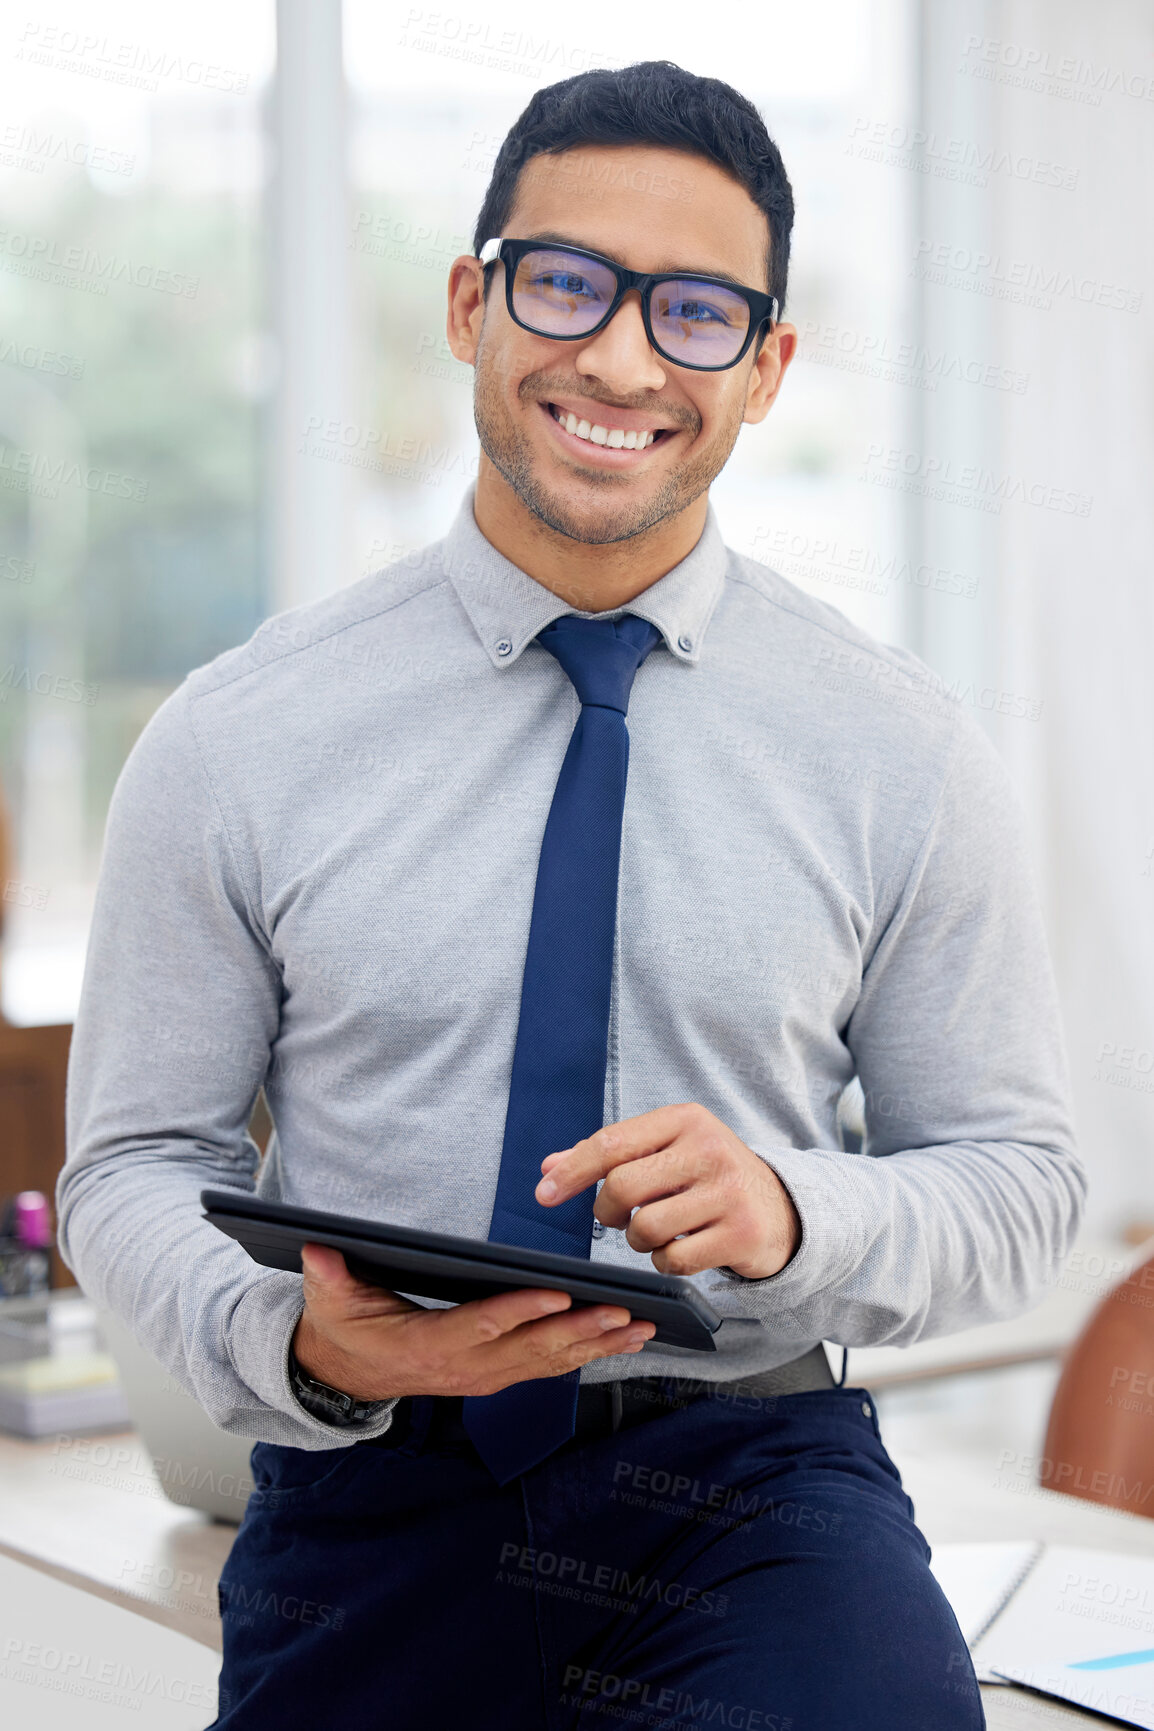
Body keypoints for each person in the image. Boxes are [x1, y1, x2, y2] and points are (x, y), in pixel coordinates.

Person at [58, 60, 1084, 1731]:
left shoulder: (901, 750)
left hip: (748, 1478)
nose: (616, 358)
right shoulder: (234, 737)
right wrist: (307, 1351)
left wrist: (792, 1214)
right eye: (565, 284)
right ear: (471, 303)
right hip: (367, 1494)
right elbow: (129, 1168)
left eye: (692, 313)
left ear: (765, 369)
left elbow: (1017, 1181)